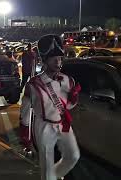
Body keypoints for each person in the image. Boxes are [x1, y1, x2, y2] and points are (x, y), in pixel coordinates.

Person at [19, 34, 81, 180]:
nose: (58, 62)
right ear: (44, 60)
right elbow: (25, 112)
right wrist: (25, 135)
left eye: (60, 58)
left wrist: (74, 98)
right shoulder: (33, 85)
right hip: (44, 126)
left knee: (73, 156)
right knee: (46, 166)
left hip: (63, 123)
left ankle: (54, 177)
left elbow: (69, 106)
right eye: (54, 59)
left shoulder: (67, 80)